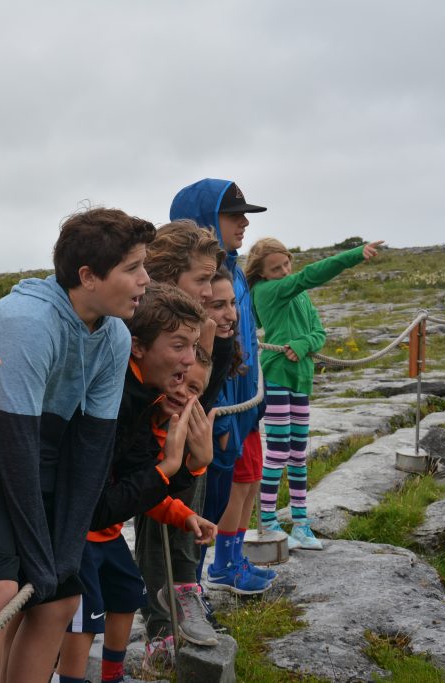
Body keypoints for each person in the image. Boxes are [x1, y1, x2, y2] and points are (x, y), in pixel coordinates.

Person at [0, 207, 155, 681]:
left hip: (41, 444)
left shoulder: (113, 335)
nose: (146, 280)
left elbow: (91, 450)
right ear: (89, 276)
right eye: (133, 268)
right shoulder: (27, 321)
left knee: (61, 598)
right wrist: (37, 554)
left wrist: (66, 551)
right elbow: (14, 448)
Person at [56, 284, 217, 683]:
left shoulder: (145, 399)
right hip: (77, 535)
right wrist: (173, 464)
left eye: (194, 350)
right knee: (84, 618)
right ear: (138, 347)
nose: (186, 365)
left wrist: (193, 472)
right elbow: (113, 496)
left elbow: (141, 486)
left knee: (128, 593)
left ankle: (112, 675)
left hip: (104, 532)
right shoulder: (118, 397)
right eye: (179, 347)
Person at [137, 222, 244, 648]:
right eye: (201, 280)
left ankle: (182, 600)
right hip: (144, 435)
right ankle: (163, 623)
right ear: (168, 275)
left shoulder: (204, 326)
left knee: (182, 511)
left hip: (179, 432)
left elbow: (199, 393)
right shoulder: (148, 319)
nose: (207, 290)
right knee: (155, 515)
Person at [169, 179, 273, 598]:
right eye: (234, 215)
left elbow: (240, 339)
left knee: (232, 491)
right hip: (216, 416)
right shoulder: (197, 284)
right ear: (206, 219)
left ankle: (221, 566)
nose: (245, 222)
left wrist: (253, 407)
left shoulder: (233, 272)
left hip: (242, 410)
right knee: (200, 507)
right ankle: (187, 592)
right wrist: (224, 413)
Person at [247, 237, 383, 549]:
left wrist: (304, 343)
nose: (284, 271)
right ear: (263, 273)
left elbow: (319, 333)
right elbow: (310, 276)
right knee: (279, 450)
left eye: (286, 264)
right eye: (275, 268)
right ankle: (267, 520)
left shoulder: (302, 297)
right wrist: (353, 256)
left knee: (298, 454)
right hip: (278, 375)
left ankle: (301, 524)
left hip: (301, 377)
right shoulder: (268, 290)